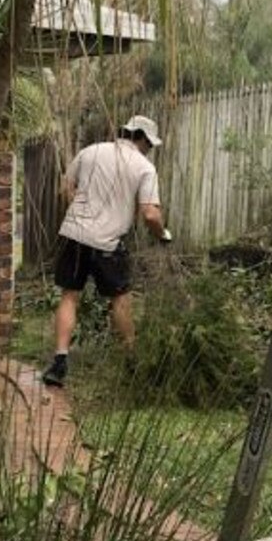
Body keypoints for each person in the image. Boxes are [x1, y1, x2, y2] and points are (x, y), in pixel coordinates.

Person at [41, 115, 170, 388]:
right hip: (108, 244)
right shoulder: (144, 167)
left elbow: (65, 186)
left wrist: (81, 212)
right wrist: (163, 234)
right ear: (142, 138)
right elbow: (150, 213)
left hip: (74, 235)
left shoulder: (91, 151)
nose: (149, 149)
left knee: (69, 296)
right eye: (150, 144)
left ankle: (59, 363)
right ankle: (132, 361)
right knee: (120, 299)